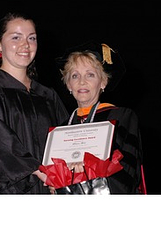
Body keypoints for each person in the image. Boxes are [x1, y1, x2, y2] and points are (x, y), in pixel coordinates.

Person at [0, 12, 69, 194]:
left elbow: (66, 137)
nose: (25, 45)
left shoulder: (47, 95)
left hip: (51, 189)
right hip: (10, 190)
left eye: (32, 38)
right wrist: (37, 169)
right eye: (15, 37)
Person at [54, 41, 146, 194]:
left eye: (90, 75)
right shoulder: (60, 130)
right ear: (69, 85)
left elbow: (128, 172)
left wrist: (85, 177)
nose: (82, 81)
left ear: (103, 82)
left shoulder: (121, 117)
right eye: (75, 75)